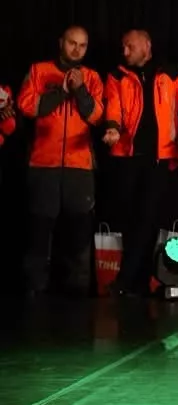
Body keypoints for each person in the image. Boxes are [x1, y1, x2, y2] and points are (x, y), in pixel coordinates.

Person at [101, 29, 178, 296]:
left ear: (146, 46)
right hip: (127, 157)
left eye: (130, 47)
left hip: (160, 159)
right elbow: (113, 109)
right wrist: (112, 129)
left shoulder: (173, 73)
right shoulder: (117, 75)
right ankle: (138, 281)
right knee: (130, 219)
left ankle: (128, 280)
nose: (124, 52)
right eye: (123, 47)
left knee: (147, 219)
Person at [17, 25, 103, 296]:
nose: (77, 49)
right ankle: (35, 287)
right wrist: (62, 91)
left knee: (79, 230)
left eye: (82, 45)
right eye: (72, 43)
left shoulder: (92, 77)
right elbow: (28, 107)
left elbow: (96, 116)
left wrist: (80, 89)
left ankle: (77, 289)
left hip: (79, 165)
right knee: (39, 228)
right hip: (44, 163)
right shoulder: (38, 70)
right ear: (61, 42)